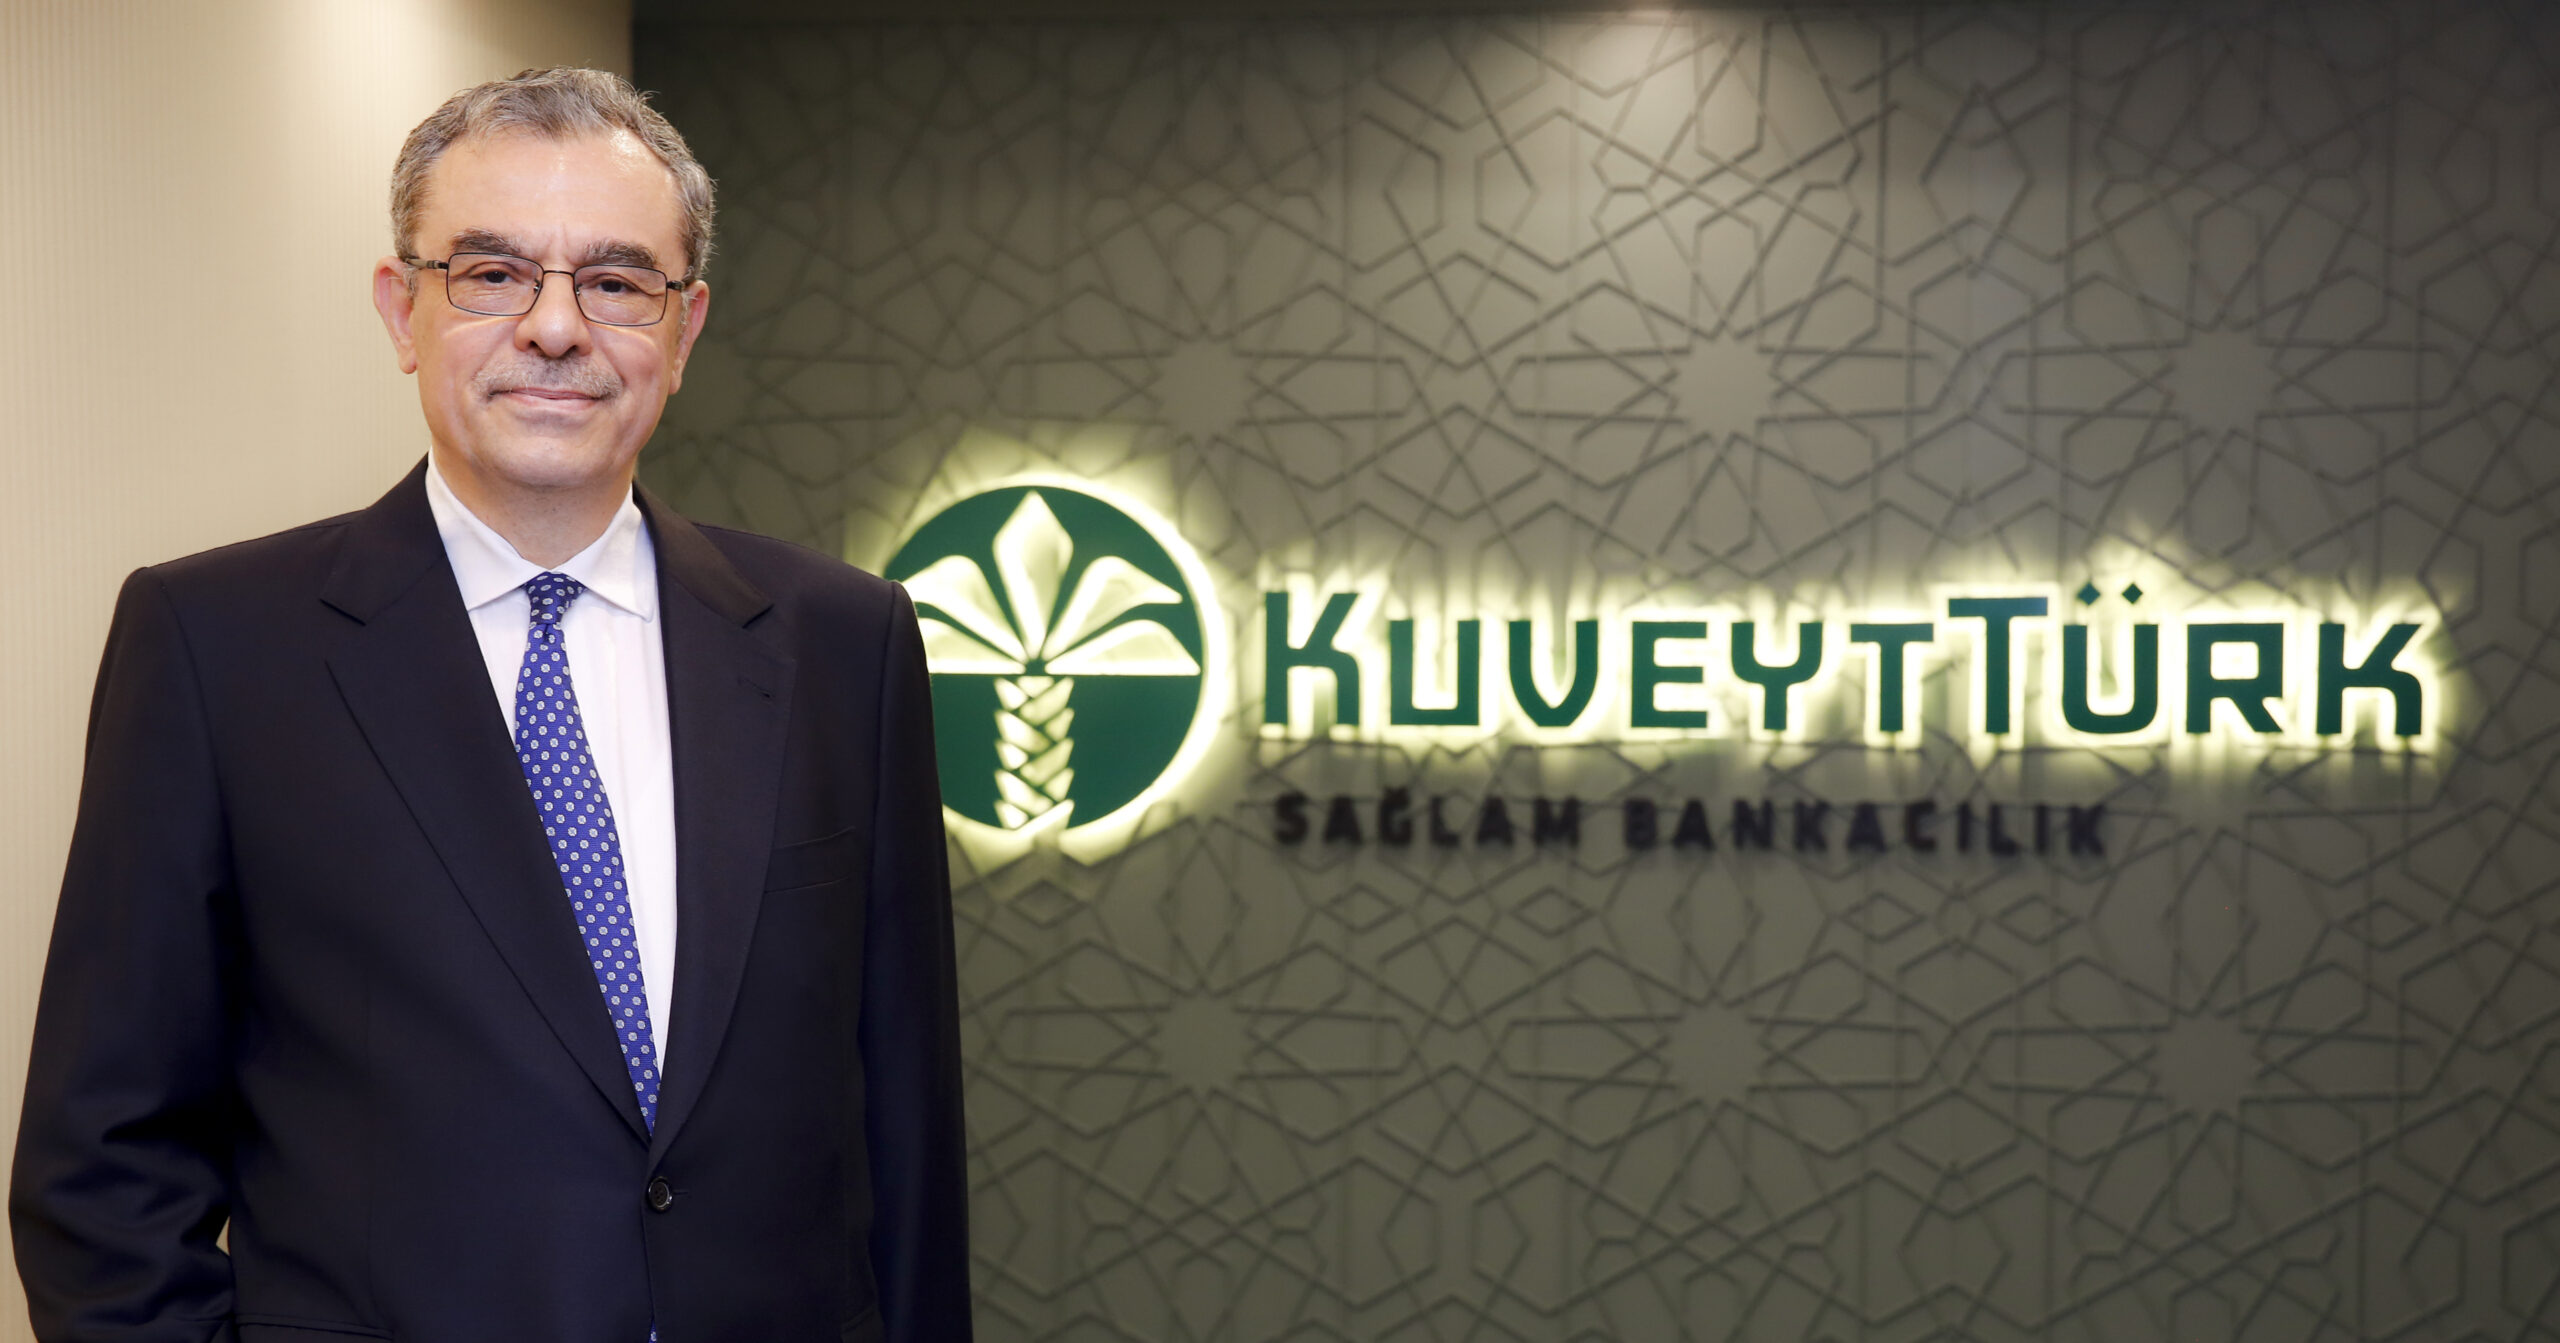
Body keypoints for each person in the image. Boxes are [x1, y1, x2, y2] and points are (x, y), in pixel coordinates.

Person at [9, 67, 971, 1343]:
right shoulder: (216, 646)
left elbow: (906, 1130)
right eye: (492, 272)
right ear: (402, 308)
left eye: (617, 281)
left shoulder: (843, 641)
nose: (556, 328)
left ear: (684, 329)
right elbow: (104, 1168)